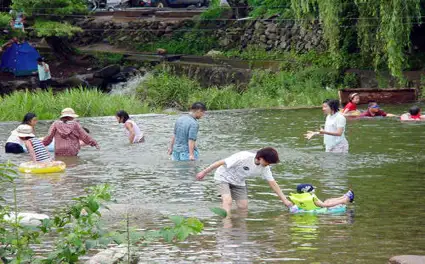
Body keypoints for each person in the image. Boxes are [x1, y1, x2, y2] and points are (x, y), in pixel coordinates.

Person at [196, 147, 296, 215]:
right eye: (267, 162)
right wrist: (204, 172)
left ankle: (235, 221)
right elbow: (220, 162)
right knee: (228, 200)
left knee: (243, 207)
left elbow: (273, 184)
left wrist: (285, 201)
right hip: (223, 177)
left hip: (239, 182)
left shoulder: (265, 167)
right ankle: (226, 225)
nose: (268, 165)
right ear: (260, 158)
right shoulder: (243, 157)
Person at [289, 184, 354, 212]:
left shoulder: (298, 198)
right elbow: (326, 205)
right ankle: (345, 199)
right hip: (319, 208)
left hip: (308, 208)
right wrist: (341, 202)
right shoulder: (312, 198)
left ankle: (343, 196)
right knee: (328, 201)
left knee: (327, 200)